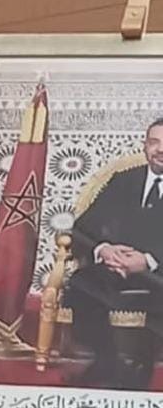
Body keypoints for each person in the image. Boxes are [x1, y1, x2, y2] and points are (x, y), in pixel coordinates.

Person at [65, 118, 163, 390]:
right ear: (145, 146)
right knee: (82, 283)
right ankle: (106, 360)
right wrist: (104, 250)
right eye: (154, 142)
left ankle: (140, 368)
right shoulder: (124, 180)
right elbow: (81, 228)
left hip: (158, 273)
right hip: (115, 267)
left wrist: (148, 261)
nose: (160, 150)